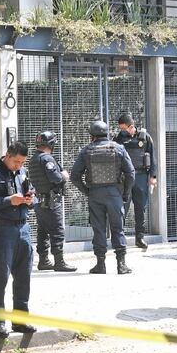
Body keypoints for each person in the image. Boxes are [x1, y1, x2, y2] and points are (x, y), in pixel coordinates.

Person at [0, 141, 37, 338]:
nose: (18, 166)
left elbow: (32, 194)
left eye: (22, 162)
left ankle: (20, 321)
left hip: (23, 229)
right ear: (7, 155)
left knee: (24, 276)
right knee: (1, 277)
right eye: (16, 162)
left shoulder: (23, 172)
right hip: (3, 229)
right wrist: (7, 201)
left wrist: (30, 199)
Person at [71, 120, 135, 275]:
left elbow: (74, 176)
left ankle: (100, 265)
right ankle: (121, 265)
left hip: (95, 194)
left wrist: (87, 191)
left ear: (92, 136)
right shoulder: (118, 148)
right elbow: (131, 173)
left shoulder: (86, 151)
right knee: (117, 229)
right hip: (114, 194)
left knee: (98, 229)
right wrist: (125, 192)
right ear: (107, 133)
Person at [28, 131, 76, 272]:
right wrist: (64, 175)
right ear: (51, 144)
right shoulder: (46, 159)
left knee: (42, 230)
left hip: (40, 200)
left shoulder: (33, 159)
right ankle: (59, 262)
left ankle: (43, 260)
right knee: (57, 231)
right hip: (51, 200)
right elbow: (55, 178)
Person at [114, 112, 157, 250]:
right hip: (125, 178)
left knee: (140, 209)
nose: (121, 130)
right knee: (122, 209)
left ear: (131, 126)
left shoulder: (145, 137)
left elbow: (152, 157)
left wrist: (153, 177)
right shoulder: (119, 139)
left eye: (123, 127)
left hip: (141, 176)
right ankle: (119, 239)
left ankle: (140, 238)